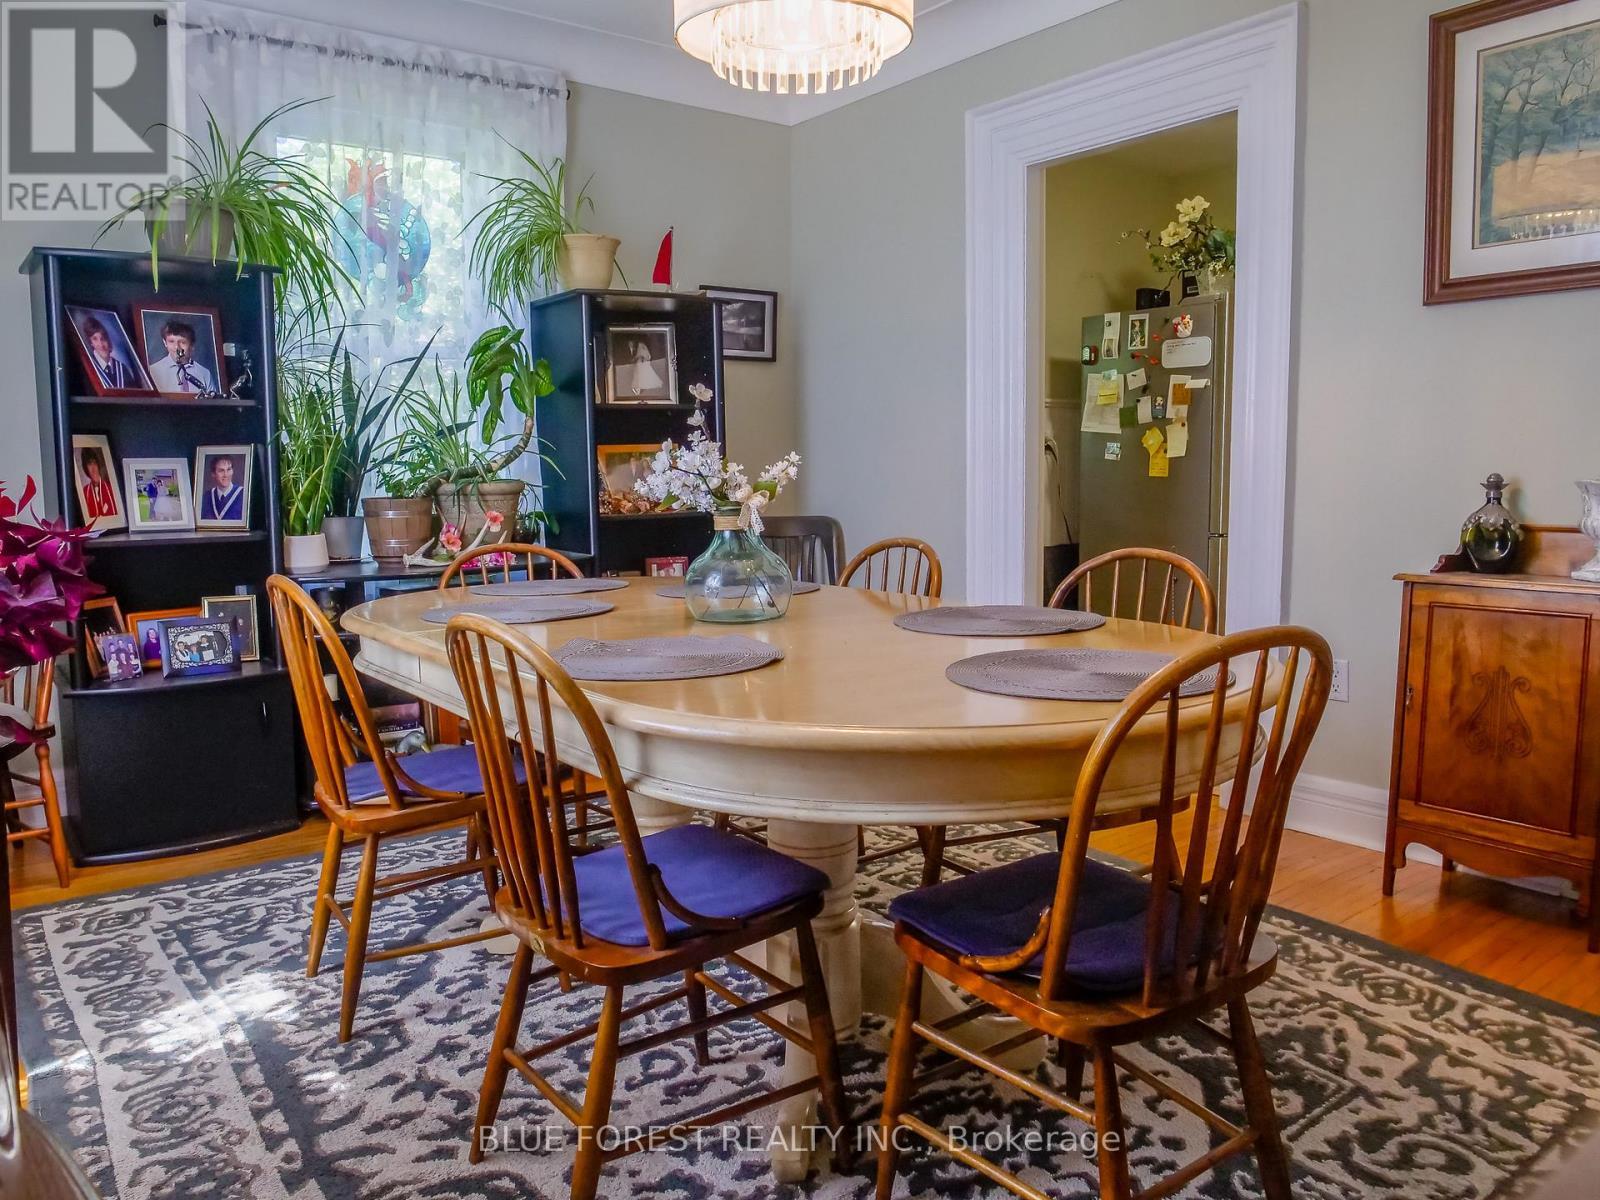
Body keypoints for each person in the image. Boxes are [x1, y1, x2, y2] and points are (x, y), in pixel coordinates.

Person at [147, 319, 215, 394]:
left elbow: (213, 403)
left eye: (182, 342)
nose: (176, 347)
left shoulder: (204, 373)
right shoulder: (153, 371)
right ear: (165, 343)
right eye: (171, 341)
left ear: (192, 345)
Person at [81, 316, 141, 389]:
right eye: (95, 339)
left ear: (108, 340)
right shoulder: (88, 368)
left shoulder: (122, 368)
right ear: (91, 343)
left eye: (103, 338)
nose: (101, 344)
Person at [199, 455, 245, 523]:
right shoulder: (206, 497)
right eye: (221, 471)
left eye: (229, 469)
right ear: (213, 474)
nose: (226, 475)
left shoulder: (243, 495)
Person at [78, 448, 119, 521]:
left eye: (95, 463)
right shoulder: (84, 492)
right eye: (90, 464)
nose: (93, 469)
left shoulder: (111, 489)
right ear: (85, 467)